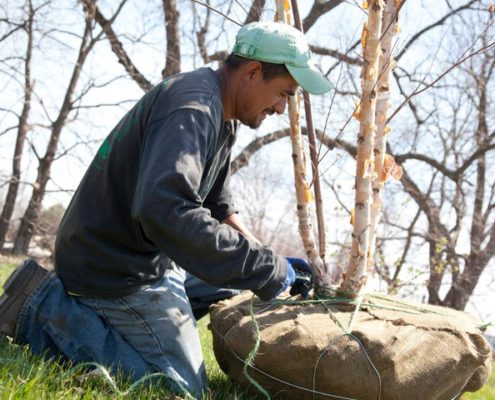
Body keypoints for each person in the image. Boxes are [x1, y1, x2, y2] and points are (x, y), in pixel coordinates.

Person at [0, 21, 331, 398]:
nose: (282, 107)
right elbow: (166, 210)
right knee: (181, 387)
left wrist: (268, 259)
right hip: (112, 264)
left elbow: (215, 203)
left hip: (145, 252)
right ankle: (40, 308)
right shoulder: (193, 108)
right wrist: (268, 268)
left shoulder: (222, 113)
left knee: (240, 276)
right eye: (283, 93)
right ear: (253, 73)